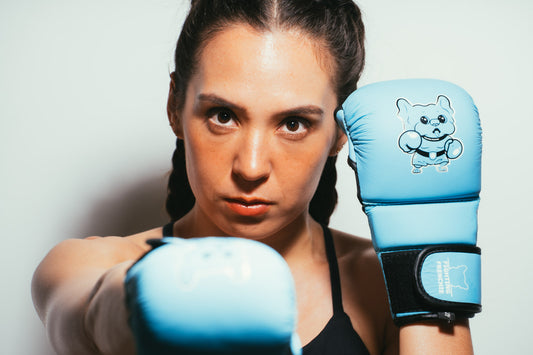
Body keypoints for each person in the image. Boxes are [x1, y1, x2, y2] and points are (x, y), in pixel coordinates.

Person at [31, 0, 475, 354]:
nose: (251, 167)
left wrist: (426, 265)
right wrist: (130, 303)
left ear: (342, 130)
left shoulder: (381, 282)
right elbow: (78, 312)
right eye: (223, 115)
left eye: (294, 123)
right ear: (175, 106)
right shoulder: (90, 265)